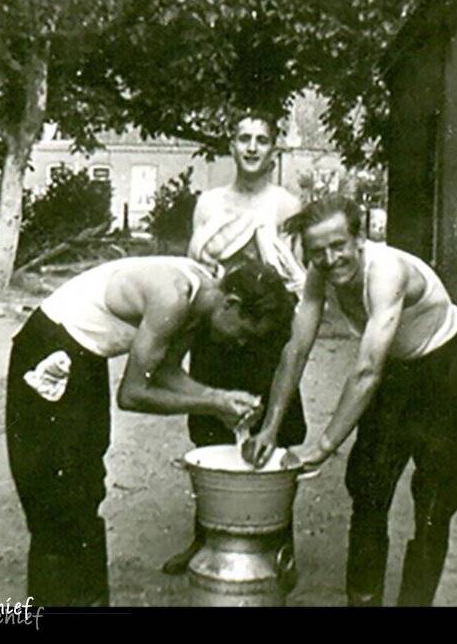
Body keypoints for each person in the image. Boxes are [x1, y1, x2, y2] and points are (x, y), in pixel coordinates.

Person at [5, 256, 295, 606]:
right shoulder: (172, 297)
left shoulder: (201, 299)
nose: (241, 343)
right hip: (50, 348)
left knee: (86, 484)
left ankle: (89, 602)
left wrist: (219, 398)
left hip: (85, 357)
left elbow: (165, 371)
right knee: (56, 495)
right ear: (230, 304)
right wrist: (210, 404)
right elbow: (132, 394)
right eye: (244, 333)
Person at [243, 195, 457, 607]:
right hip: (396, 369)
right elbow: (295, 351)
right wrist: (269, 427)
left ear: (360, 238)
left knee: (434, 502)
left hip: (447, 369)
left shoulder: (386, 271)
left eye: (338, 245)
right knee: (368, 488)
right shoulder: (320, 274)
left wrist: (323, 446)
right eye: (318, 251)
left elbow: (367, 371)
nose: (330, 259)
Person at [161, 111, 309, 575]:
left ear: (273, 149)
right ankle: (205, 539)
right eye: (244, 138)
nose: (251, 147)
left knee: (275, 430)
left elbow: (296, 278)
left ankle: (280, 545)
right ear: (231, 145)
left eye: (261, 140)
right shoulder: (209, 203)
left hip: (267, 336)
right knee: (210, 429)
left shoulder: (285, 204)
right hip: (217, 333)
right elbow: (199, 270)